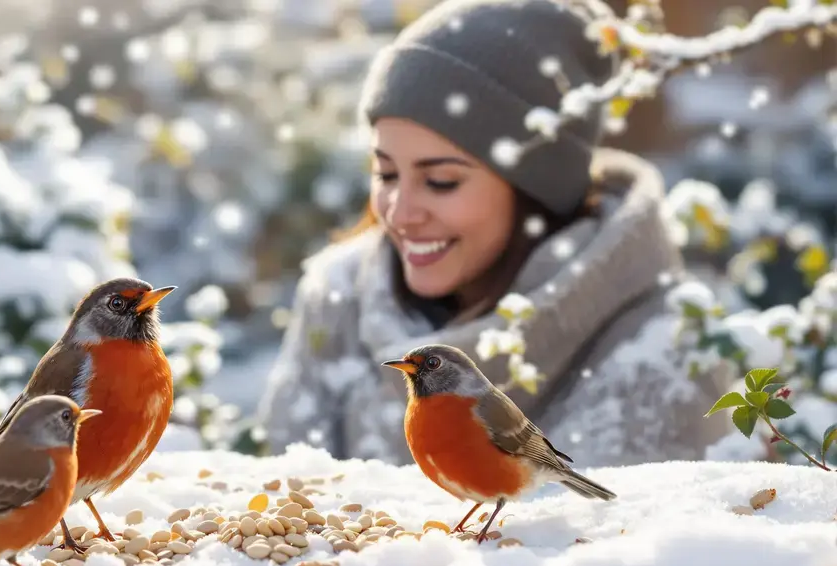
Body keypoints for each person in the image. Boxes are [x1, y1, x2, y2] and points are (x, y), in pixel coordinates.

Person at [257, 0, 732, 467]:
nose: (399, 214)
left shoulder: (666, 357)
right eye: (385, 174)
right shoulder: (339, 297)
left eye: (441, 181)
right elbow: (287, 504)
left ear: (536, 189)